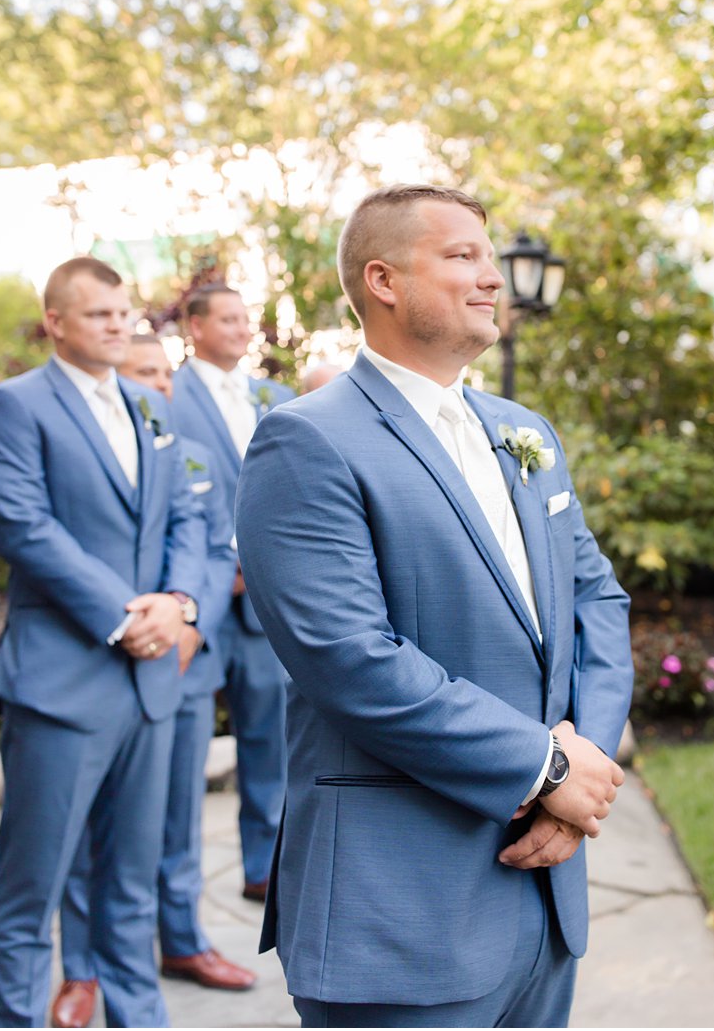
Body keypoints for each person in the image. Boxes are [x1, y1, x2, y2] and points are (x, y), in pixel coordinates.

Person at [235, 185, 632, 1027]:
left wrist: (583, 767)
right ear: (383, 280)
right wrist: (546, 770)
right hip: (400, 912)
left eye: (489, 258)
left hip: (543, 902)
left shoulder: (525, 432)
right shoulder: (308, 440)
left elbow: (596, 596)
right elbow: (351, 659)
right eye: (463, 257)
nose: (493, 277)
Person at [0, 258, 213, 1027]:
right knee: (30, 891)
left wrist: (179, 605)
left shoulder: (155, 409)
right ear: (56, 321)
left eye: (125, 314)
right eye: (99, 315)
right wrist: (126, 616)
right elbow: (23, 527)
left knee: (130, 888)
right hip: (62, 683)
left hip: (151, 687)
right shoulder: (15, 405)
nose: (119, 326)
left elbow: (188, 517)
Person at [53, 335, 257, 1028]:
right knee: (89, 827)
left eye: (166, 374)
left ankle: (183, 942)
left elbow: (212, 548)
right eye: (146, 373)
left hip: (185, 670)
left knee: (175, 824)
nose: (161, 386)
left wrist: (187, 628)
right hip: (102, 667)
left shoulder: (191, 458)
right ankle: (81, 969)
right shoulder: (88, 447)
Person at [169, 283, 294, 903]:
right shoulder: (166, 395)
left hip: (263, 604)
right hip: (192, 601)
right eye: (228, 318)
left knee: (269, 739)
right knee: (178, 755)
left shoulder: (278, 399)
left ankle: (264, 867)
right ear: (194, 327)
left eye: (247, 319)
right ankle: (175, 886)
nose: (244, 329)